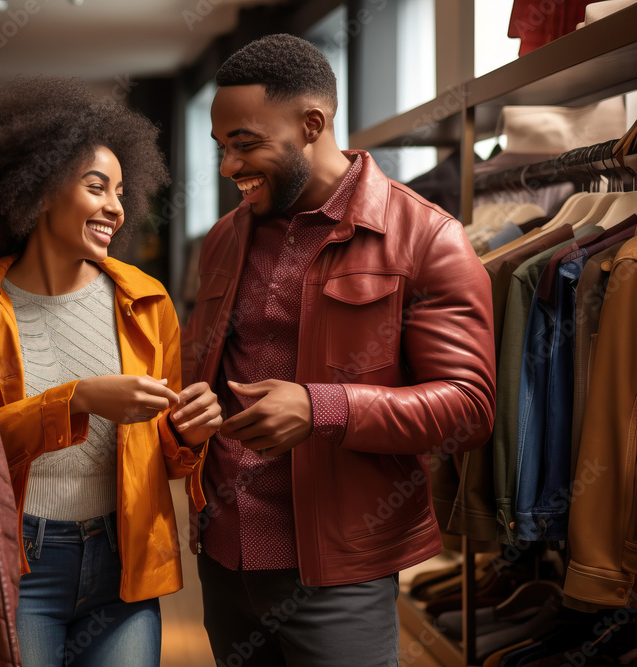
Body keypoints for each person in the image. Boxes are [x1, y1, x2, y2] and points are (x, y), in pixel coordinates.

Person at [181, 34, 497, 666]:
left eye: (245, 143)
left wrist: (323, 407)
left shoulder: (426, 237)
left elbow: (468, 408)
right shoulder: (222, 239)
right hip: (224, 555)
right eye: (222, 147)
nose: (227, 168)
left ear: (312, 124)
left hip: (337, 573)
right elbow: (214, 369)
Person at [0, 76, 222, 667]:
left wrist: (190, 432)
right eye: (97, 187)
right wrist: (77, 400)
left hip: (124, 563)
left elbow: (166, 452)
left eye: (121, 191)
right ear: (39, 191)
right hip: (20, 562)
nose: (116, 208)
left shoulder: (147, 302)